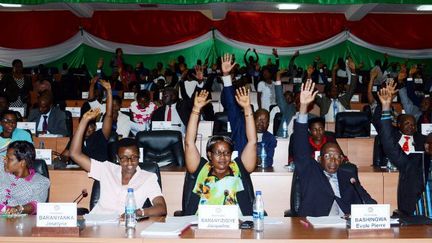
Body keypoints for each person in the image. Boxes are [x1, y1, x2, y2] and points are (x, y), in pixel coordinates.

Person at [293, 80, 376, 216]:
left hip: (344, 226)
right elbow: (300, 146)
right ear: (319, 159)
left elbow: (365, 199)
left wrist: (377, 213)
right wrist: (303, 108)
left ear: (342, 160)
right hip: (315, 227)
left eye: (337, 157)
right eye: (328, 156)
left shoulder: (349, 175)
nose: (333, 160)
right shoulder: (310, 170)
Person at [70, 108, 167, 216]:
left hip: (126, 225)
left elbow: (161, 208)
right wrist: (84, 121)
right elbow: (75, 154)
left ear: (139, 156)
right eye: (124, 158)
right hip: (98, 223)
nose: (130, 162)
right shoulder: (106, 168)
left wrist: (139, 213)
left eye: (134, 157)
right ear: (117, 158)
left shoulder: (148, 177)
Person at [184, 87, 257, 215]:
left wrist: (247, 108)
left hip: (237, 227)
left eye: (227, 153)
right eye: (218, 152)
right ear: (209, 154)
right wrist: (196, 110)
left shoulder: (239, 167)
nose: (223, 157)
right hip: (201, 227)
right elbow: (189, 142)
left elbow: (252, 142)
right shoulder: (200, 167)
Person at [376, 85, 431, 216]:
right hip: (417, 220)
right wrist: (385, 108)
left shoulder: (419, 139)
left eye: (413, 125)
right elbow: (389, 144)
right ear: (427, 147)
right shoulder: (413, 163)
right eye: (407, 124)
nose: (411, 127)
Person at [59, 79, 113, 164]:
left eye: (90, 125)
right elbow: (65, 155)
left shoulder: (101, 135)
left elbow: (109, 115)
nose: (87, 129)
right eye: (85, 125)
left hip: (100, 173)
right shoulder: (76, 138)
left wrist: (109, 91)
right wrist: (60, 159)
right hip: (79, 173)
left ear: (94, 127)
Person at [0, 141, 50, 215]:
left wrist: (18, 209)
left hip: (17, 222)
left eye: (9, 159)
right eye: (5, 157)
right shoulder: (2, 169)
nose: (5, 160)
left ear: (23, 162)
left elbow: (36, 205)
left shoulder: (41, 182)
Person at [315, 57, 358, 122]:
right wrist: (309, 75)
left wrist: (353, 71)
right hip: (327, 129)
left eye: (336, 91)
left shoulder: (344, 99)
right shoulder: (323, 101)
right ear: (329, 93)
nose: (335, 92)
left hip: (344, 129)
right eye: (333, 91)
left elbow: (352, 87)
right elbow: (312, 94)